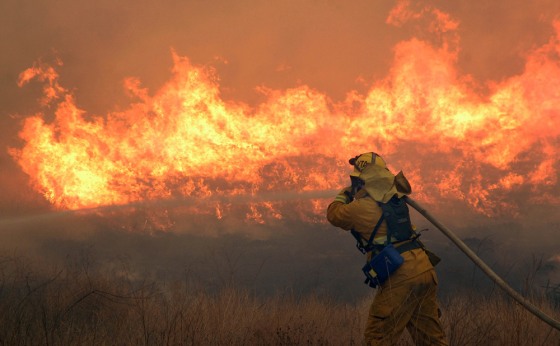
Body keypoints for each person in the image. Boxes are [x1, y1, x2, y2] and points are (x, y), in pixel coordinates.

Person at [326, 152, 448, 346]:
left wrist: (345, 193)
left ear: (361, 180)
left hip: (401, 275)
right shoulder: (395, 199)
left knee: (378, 337)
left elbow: (334, 215)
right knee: (431, 340)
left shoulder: (361, 207)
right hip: (424, 268)